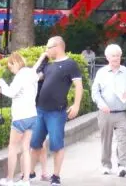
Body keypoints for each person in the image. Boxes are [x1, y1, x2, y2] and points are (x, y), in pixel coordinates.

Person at [31, 36, 83, 186]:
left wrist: (76, 105)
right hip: (40, 110)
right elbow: (32, 76)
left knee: (56, 144)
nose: (46, 50)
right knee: (35, 143)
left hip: (56, 112)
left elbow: (78, 86)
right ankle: (30, 172)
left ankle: (56, 176)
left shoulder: (70, 64)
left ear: (57, 47)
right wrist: (42, 58)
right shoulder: (48, 65)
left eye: (48, 47)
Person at [92, 43, 126, 177]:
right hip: (105, 112)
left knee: (122, 139)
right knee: (106, 140)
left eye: (118, 55)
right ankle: (106, 164)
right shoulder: (101, 73)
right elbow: (95, 92)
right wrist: (101, 104)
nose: (116, 58)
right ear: (107, 57)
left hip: (122, 113)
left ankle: (122, 165)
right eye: (113, 56)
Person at [0, 51, 40, 186]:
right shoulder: (32, 74)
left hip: (20, 116)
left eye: (11, 67)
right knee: (26, 149)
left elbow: (11, 92)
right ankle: (26, 180)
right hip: (32, 115)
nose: (11, 70)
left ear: (15, 63)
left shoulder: (20, 75)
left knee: (13, 148)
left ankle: (9, 179)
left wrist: (2, 83)